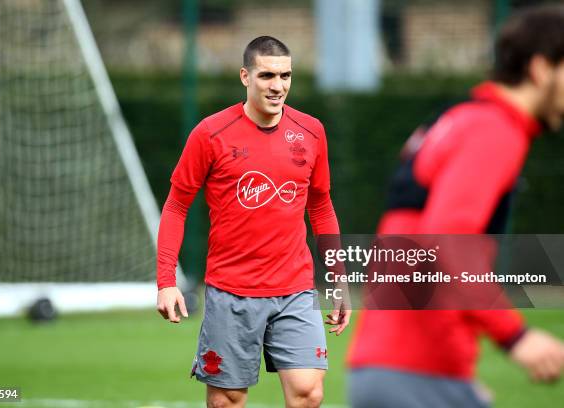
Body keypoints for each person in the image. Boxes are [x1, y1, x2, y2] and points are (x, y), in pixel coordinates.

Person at [347, 5, 564, 408]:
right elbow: (448, 239)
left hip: (398, 369)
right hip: (412, 373)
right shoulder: (494, 129)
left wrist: (453, 375)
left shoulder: (458, 119)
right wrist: (514, 335)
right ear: (540, 68)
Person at [156, 36, 350, 408]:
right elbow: (177, 206)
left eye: (285, 75)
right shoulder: (210, 134)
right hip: (231, 292)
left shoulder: (311, 132)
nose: (278, 86)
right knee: (226, 401)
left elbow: (321, 207)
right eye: (266, 76)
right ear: (245, 76)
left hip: (295, 289)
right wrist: (166, 281)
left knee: (309, 394)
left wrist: (338, 279)